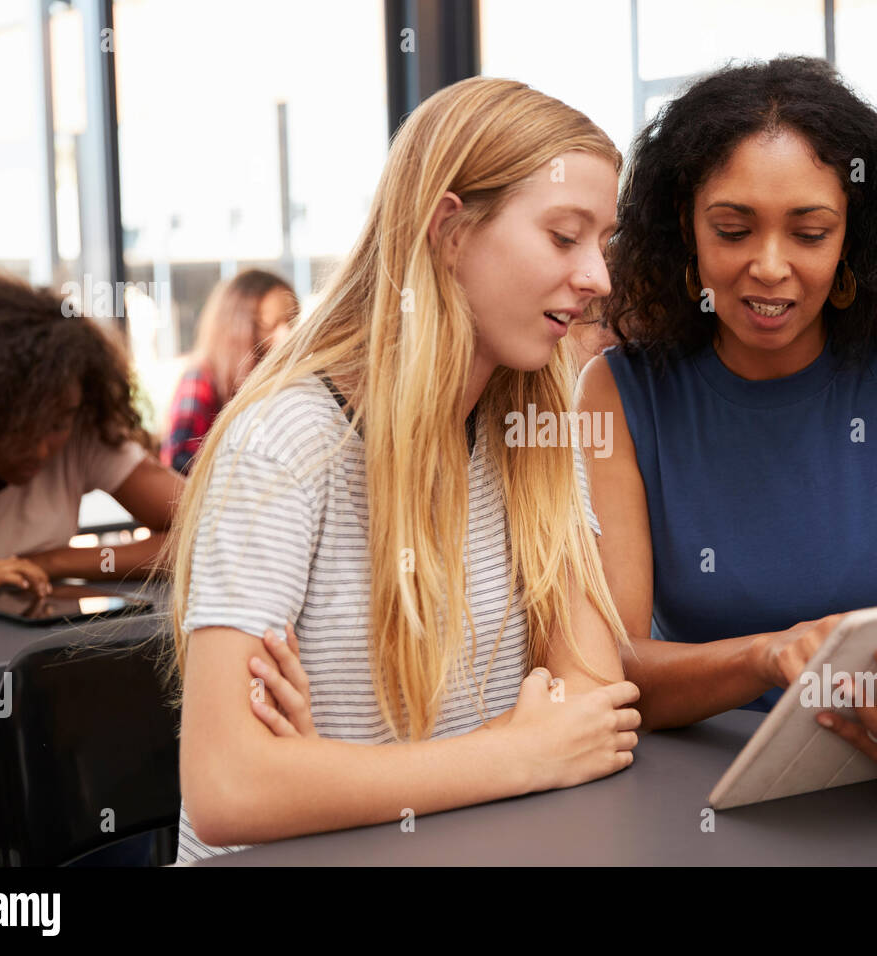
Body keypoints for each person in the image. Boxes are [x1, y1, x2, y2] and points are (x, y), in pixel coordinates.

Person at [170, 76, 640, 861]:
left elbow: (595, 711)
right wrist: (513, 752)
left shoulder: (536, 432)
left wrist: (336, 780)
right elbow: (229, 789)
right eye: (565, 237)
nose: (599, 278)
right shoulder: (286, 441)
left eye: (603, 243)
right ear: (450, 232)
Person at [577, 56, 877, 792]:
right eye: (733, 229)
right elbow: (611, 671)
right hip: (693, 792)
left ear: (853, 237)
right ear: (684, 231)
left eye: (810, 233)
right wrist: (766, 656)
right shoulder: (621, 393)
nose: (769, 266)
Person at [0, 269, 183, 863]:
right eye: (26, 425)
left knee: (104, 814)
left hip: (46, 694)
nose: (46, 445)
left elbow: (200, 525)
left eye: (60, 420)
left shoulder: (79, 433)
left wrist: (53, 561)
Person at [161, 269, 297, 475]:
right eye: (269, 325)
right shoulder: (200, 379)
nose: (286, 335)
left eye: (292, 321)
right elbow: (180, 464)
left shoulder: (279, 382)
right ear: (236, 328)